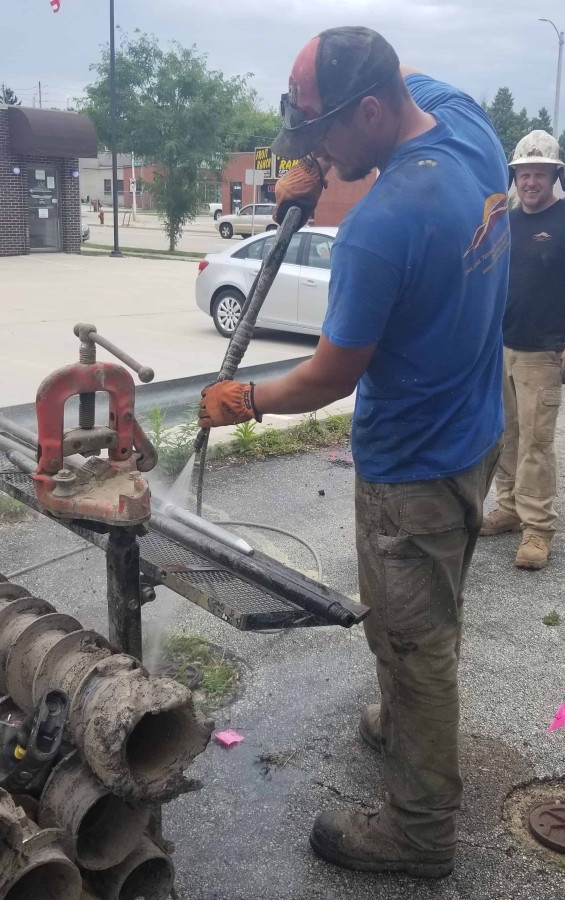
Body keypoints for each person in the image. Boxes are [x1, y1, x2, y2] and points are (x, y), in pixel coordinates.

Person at [196, 26, 509, 878]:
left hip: (413, 466)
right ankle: (406, 723)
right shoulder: (466, 124)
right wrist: (321, 156)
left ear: (369, 110)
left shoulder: (383, 226)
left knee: (416, 643)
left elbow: (331, 376)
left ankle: (418, 833)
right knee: (428, 616)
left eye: (325, 134)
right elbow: (402, 71)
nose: (317, 151)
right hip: (476, 431)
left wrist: (244, 399)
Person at [478, 131, 565, 570]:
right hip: (501, 348)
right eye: (523, 174)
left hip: (543, 353)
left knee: (536, 442)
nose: (530, 182)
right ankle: (509, 508)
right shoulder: (507, 221)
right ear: (515, 177)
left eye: (539, 174)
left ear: (556, 176)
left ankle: (538, 529)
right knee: (505, 435)